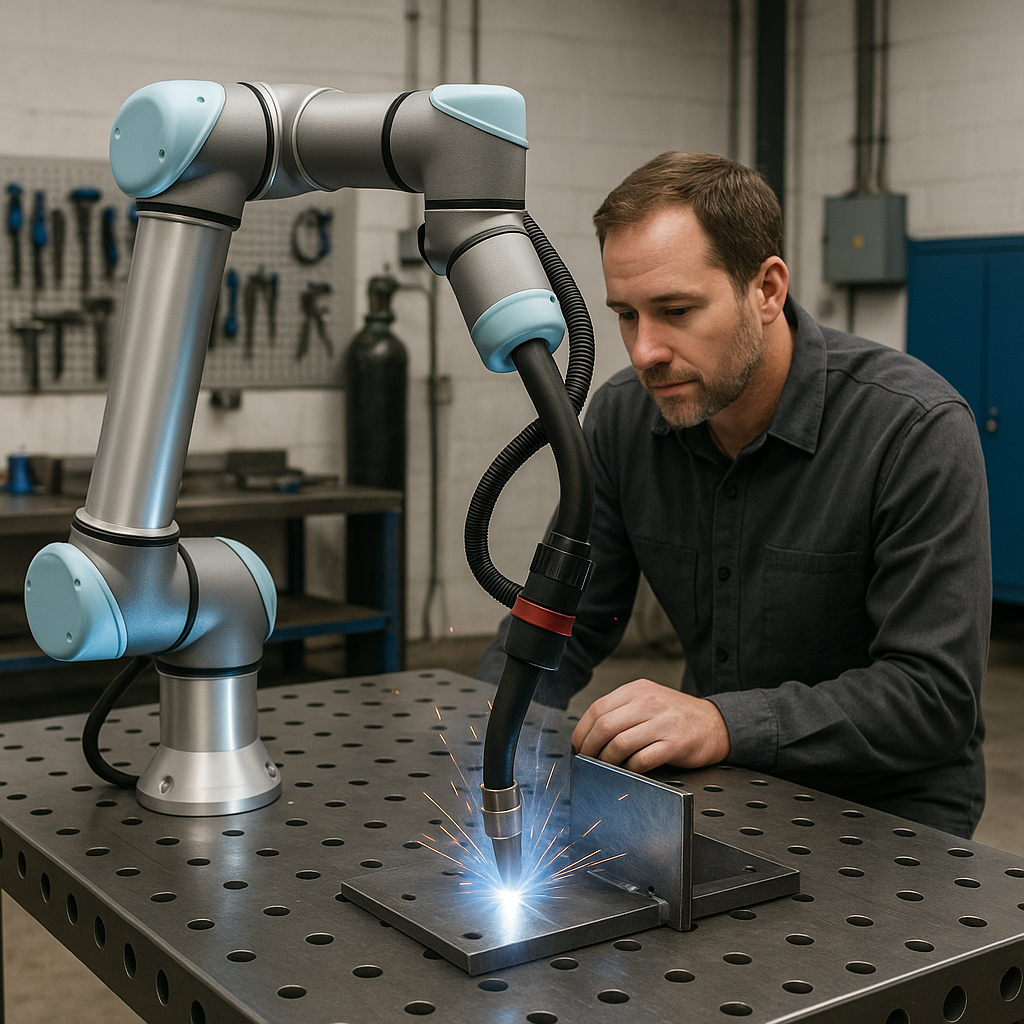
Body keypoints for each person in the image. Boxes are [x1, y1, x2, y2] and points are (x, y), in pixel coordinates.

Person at [477, 151, 991, 839]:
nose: (645, 351)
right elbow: (567, 623)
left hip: (890, 810)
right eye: (627, 315)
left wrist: (723, 721)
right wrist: (485, 735)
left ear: (767, 289)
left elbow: (933, 697)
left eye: (676, 310)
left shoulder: (913, 430)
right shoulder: (624, 418)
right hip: (723, 784)